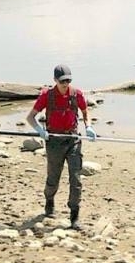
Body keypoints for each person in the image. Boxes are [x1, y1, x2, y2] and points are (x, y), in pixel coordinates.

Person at [25, 64, 96, 228]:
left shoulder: (76, 94)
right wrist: (39, 130)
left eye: (68, 80)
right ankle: (49, 201)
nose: (65, 84)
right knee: (53, 178)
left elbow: (85, 113)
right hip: (54, 142)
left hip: (73, 140)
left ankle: (74, 216)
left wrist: (89, 126)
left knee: (76, 179)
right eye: (62, 81)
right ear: (55, 80)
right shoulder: (47, 95)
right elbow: (30, 117)